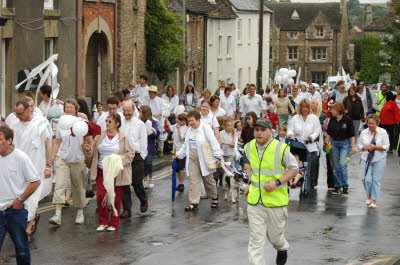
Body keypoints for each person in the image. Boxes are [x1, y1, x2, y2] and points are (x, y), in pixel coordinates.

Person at [243, 118, 298, 265]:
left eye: (263, 130)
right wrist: (250, 184)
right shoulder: (248, 147)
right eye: (256, 130)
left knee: (276, 239)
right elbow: (254, 171)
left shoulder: (281, 148)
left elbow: (294, 169)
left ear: (270, 132)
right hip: (255, 202)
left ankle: (282, 248)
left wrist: (277, 182)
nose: (259, 133)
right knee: (256, 241)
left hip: (275, 202)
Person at [82, 114, 134, 231]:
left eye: (110, 121)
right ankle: (103, 221)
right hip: (102, 170)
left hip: (116, 171)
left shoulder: (124, 137)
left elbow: (130, 154)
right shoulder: (100, 136)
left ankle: (114, 223)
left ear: (117, 124)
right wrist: (88, 150)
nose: (107, 123)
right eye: (106, 121)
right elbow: (93, 153)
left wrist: (118, 160)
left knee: (115, 197)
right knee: (101, 196)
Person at [10, 99, 53, 237]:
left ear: (29, 109)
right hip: (18, 168)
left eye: (20, 113)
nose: (18, 117)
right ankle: (31, 218)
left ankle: (27, 229)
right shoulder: (14, 124)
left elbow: (48, 145)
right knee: (19, 197)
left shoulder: (40, 123)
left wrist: (48, 165)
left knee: (32, 198)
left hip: (36, 166)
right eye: (16, 114)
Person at [48, 99, 93, 226]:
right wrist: (52, 156)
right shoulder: (61, 123)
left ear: (76, 109)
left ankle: (80, 213)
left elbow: (90, 140)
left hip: (78, 159)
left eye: (71, 107)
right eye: (66, 107)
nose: (68, 109)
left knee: (78, 187)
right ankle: (57, 215)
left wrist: (89, 148)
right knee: (59, 185)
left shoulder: (82, 122)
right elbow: (57, 142)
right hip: (62, 158)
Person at [0, 126, 41, 265]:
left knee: (21, 247)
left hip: (15, 210)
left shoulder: (21, 158)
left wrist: (20, 200)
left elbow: (35, 181)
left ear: (9, 140)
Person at [173, 110, 223, 211]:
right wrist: (178, 154)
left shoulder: (205, 128)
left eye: (192, 121)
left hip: (204, 157)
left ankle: (214, 197)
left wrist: (218, 156)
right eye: (189, 121)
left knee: (208, 179)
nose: (190, 123)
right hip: (192, 157)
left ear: (198, 119)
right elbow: (185, 146)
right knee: (193, 180)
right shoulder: (189, 130)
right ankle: (194, 202)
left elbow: (213, 142)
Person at [120, 101, 149, 216]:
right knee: (124, 183)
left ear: (134, 110)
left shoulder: (139, 124)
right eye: (124, 111)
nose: (126, 113)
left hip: (136, 157)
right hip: (123, 156)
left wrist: (142, 157)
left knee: (136, 182)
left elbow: (143, 142)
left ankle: (143, 200)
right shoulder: (120, 122)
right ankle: (127, 209)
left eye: (129, 111)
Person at [287, 99, 321, 190]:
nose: (305, 109)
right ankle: (296, 181)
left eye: (306, 107)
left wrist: (312, 136)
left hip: (310, 145)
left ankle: (311, 183)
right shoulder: (295, 118)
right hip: (298, 145)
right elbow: (290, 129)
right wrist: (290, 134)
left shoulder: (314, 118)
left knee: (312, 164)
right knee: (298, 164)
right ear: (300, 108)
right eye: (303, 107)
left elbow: (317, 131)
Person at [358, 114, 389, 209]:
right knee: (365, 179)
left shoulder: (383, 132)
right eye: (369, 123)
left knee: (376, 180)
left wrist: (376, 147)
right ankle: (369, 195)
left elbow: (386, 146)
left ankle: (373, 200)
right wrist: (365, 147)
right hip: (366, 158)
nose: (371, 125)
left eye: (373, 123)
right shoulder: (363, 132)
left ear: (377, 123)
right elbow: (359, 146)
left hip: (379, 159)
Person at [326, 102, 357, 195]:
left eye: (332, 109)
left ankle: (345, 185)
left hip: (345, 144)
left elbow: (352, 134)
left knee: (342, 164)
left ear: (338, 110)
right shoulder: (332, 120)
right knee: (335, 167)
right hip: (334, 143)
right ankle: (337, 185)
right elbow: (329, 133)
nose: (331, 111)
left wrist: (353, 146)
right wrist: (326, 143)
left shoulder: (348, 120)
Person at [145, 85, 169, 157]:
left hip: (159, 120)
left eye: (152, 94)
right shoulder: (147, 100)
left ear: (155, 94)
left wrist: (158, 114)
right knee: (149, 133)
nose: (150, 95)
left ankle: (160, 150)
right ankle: (150, 149)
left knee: (160, 135)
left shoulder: (160, 101)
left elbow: (165, 110)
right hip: (150, 119)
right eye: (149, 94)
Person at [140, 105, 160, 189]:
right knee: (142, 165)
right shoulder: (138, 121)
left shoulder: (152, 122)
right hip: (140, 147)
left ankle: (149, 179)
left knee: (148, 164)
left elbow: (157, 134)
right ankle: (144, 180)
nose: (139, 113)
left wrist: (152, 132)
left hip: (149, 146)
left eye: (140, 111)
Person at [168, 113, 188, 192]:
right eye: (178, 119)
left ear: (184, 121)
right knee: (176, 168)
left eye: (180, 120)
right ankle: (179, 183)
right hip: (175, 150)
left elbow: (181, 137)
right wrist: (166, 119)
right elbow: (170, 128)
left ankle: (181, 183)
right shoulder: (176, 125)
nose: (178, 121)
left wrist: (179, 129)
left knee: (180, 168)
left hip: (182, 151)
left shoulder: (186, 128)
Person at [220, 119, 236, 199]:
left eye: (231, 125)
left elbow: (234, 145)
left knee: (228, 171)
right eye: (228, 126)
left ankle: (230, 187)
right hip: (223, 153)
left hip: (230, 154)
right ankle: (225, 185)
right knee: (223, 171)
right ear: (224, 126)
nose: (230, 127)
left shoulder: (233, 133)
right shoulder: (221, 133)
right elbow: (219, 142)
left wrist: (226, 143)